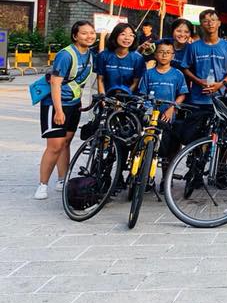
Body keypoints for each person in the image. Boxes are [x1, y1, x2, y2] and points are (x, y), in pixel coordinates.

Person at [34, 20, 97, 199]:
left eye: (92, 32)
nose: (89, 36)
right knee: (55, 146)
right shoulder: (66, 55)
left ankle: (62, 180)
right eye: (84, 33)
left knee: (66, 142)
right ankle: (42, 184)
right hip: (55, 105)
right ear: (75, 36)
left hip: (74, 105)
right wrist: (59, 111)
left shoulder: (90, 54)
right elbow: (55, 82)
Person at [180, 9, 227, 152]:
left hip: (220, 100)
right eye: (206, 21)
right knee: (195, 138)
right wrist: (197, 81)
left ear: (219, 23)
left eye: (213, 20)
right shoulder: (193, 47)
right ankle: (195, 169)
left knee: (220, 139)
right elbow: (185, 68)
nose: (210, 23)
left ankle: (219, 171)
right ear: (201, 25)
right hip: (198, 99)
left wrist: (220, 84)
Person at [139, 39, 189, 180]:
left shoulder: (177, 74)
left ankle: (166, 179)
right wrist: (147, 109)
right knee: (148, 146)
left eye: (168, 52)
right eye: (161, 52)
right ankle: (145, 178)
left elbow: (182, 94)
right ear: (155, 54)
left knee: (168, 150)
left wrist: (172, 108)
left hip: (168, 118)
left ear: (173, 55)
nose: (164, 55)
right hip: (151, 118)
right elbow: (143, 94)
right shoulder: (148, 74)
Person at [96, 23, 147, 95]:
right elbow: (100, 79)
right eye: (123, 34)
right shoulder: (104, 55)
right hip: (106, 99)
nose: (127, 38)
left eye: (131, 35)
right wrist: (102, 98)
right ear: (115, 35)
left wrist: (123, 99)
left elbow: (136, 83)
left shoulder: (138, 58)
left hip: (128, 100)